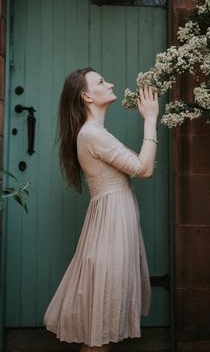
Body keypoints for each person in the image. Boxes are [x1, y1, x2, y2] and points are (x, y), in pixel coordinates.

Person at [44, 67, 159, 351]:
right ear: (86, 96)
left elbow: (137, 164)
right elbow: (143, 169)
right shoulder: (92, 134)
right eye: (101, 82)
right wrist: (151, 119)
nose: (110, 84)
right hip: (111, 227)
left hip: (114, 222)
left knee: (103, 325)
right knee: (100, 331)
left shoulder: (95, 133)